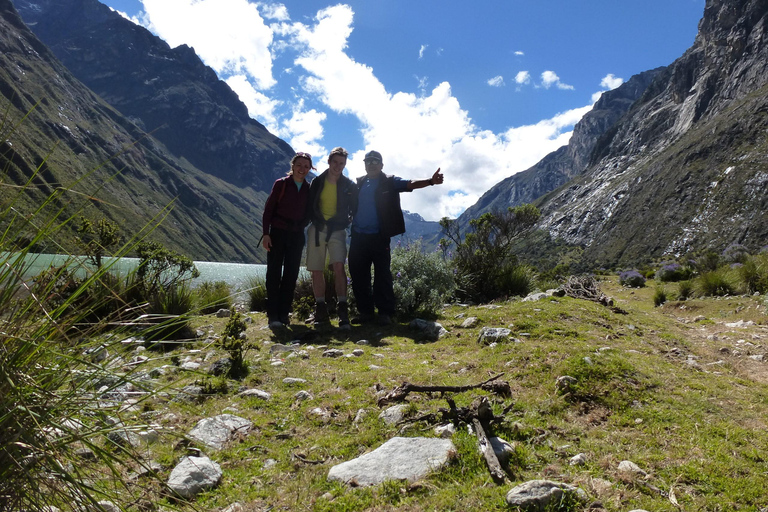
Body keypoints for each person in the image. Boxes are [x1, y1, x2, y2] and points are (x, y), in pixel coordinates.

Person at [349, 150, 444, 325]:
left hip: (379, 237)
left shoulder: (390, 181)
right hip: (358, 237)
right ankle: (366, 313)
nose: (371, 164)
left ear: (381, 165)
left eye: (375, 161)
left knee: (382, 275)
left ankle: (385, 313)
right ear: (364, 164)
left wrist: (430, 181)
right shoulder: (360, 183)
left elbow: (410, 184)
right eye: (368, 161)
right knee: (358, 276)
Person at [305, 147, 356, 328]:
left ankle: (342, 308)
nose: (338, 166)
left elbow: (354, 208)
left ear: (345, 164)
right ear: (329, 161)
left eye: (341, 163)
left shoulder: (349, 185)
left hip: (337, 229)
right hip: (318, 228)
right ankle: (320, 309)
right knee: (316, 269)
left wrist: (348, 221)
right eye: (335, 162)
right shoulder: (317, 182)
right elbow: (310, 205)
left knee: (339, 266)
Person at [261, 152, 313, 328]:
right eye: (299, 165)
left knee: (291, 274)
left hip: (297, 236)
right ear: (293, 166)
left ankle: (284, 313)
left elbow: (310, 212)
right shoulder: (281, 184)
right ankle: (273, 314)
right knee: (274, 273)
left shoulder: (309, 189)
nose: (302, 169)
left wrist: (302, 224)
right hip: (277, 233)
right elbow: (268, 210)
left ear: (310, 168)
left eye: (306, 166)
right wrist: (266, 234)